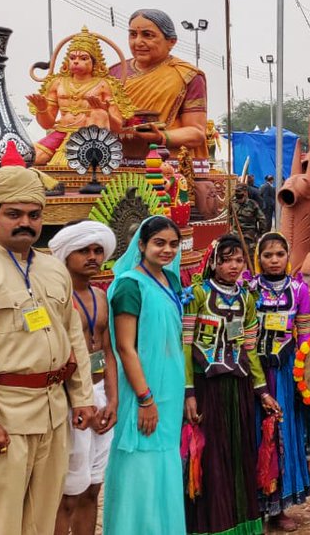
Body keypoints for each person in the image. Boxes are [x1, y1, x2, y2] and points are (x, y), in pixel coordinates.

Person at [0, 143, 95, 535]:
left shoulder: (53, 271)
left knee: (40, 522)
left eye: (33, 215)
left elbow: (72, 336)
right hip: (2, 416)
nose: (25, 222)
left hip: (52, 416)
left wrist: (83, 398)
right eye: (13, 214)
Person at [183, 234, 282, 535]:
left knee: (238, 456)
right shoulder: (197, 295)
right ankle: (209, 526)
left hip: (237, 388)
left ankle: (241, 525)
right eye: (226, 259)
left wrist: (262, 391)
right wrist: (188, 392)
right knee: (209, 456)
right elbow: (185, 346)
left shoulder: (246, 298)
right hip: (206, 387)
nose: (233, 265)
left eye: (239, 259)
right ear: (214, 261)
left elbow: (249, 350)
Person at [103, 215, 186, 533]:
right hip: (144, 391)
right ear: (141, 245)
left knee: (163, 462)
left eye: (173, 244)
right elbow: (125, 348)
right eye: (159, 243)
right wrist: (145, 398)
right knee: (140, 464)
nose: (167, 250)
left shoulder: (172, 281)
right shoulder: (129, 285)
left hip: (171, 388)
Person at [51, 221, 119, 535]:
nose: (92, 257)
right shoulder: (55, 300)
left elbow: (108, 353)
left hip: (101, 393)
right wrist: (82, 403)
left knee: (93, 488)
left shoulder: (101, 296)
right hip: (70, 401)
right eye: (83, 250)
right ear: (65, 255)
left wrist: (113, 400)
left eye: (97, 251)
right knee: (66, 494)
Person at [250, 232, 310, 529]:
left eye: (279, 254)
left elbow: (306, 336)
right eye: (267, 255)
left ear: (288, 257)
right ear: (258, 258)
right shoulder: (248, 289)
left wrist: (305, 373)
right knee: (256, 434)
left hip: (285, 372)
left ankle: (279, 508)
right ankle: (255, 507)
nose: (274, 260)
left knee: (284, 433)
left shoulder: (299, 289)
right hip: (254, 372)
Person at [109, 9, 209, 160]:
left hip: (165, 165)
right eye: (133, 35)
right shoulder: (113, 73)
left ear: (171, 42)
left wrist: (160, 136)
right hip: (116, 160)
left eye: (148, 35)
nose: (138, 42)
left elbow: (196, 132)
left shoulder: (187, 75)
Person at [27, 27, 134, 165]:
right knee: (29, 157)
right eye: (72, 58)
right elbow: (47, 124)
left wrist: (106, 112)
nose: (76, 61)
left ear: (95, 63)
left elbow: (118, 127)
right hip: (61, 133)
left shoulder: (104, 85)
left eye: (83, 58)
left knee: (98, 114)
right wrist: (42, 109)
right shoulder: (57, 83)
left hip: (89, 137)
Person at [233, 185, 267, 251]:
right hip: (235, 235)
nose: (239, 199)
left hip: (249, 235)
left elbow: (262, 219)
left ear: (245, 193)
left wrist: (260, 233)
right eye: (237, 196)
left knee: (250, 256)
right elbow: (230, 217)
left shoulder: (252, 204)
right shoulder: (233, 203)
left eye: (240, 196)